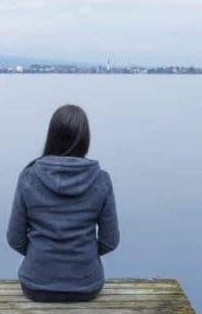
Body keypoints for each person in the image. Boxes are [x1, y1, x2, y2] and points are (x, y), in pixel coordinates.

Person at [6, 104, 120, 301]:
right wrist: (85, 255)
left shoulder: (28, 178)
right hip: (87, 286)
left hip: (36, 285)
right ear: (85, 138)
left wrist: (39, 255)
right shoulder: (101, 180)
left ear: (51, 136)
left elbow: (15, 239)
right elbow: (110, 242)